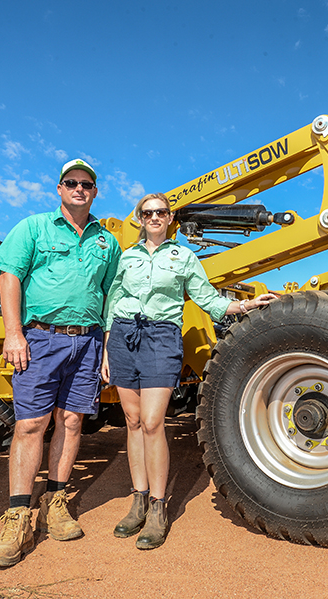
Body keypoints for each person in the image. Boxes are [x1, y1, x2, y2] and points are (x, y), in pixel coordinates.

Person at [102, 192, 276, 550]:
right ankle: (137, 499)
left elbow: (207, 299)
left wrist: (243, 305)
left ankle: (157, 507)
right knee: (132, 423)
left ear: (169, 219)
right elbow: (114, 300)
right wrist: (107, 345)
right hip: (122, 335)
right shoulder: (128, 257)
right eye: (147, 212)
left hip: (161, 338)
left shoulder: (183, 256)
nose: (154, 217)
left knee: (152, 422)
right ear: (139, 218)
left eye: (160, 212)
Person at [0, 158, 120, 568]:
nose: (79, 188)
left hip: (89, 341)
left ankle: (55, 501)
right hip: (40, 338)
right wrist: (13, 333)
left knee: (73, 421)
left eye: (87, 184)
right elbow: (9, 277)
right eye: (71, 182)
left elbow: (111, 294)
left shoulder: (106, 242)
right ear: (59, 189)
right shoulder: (33, 227)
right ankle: (18, 516)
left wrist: (108, 348)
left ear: (95, 192)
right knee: (30, 424)